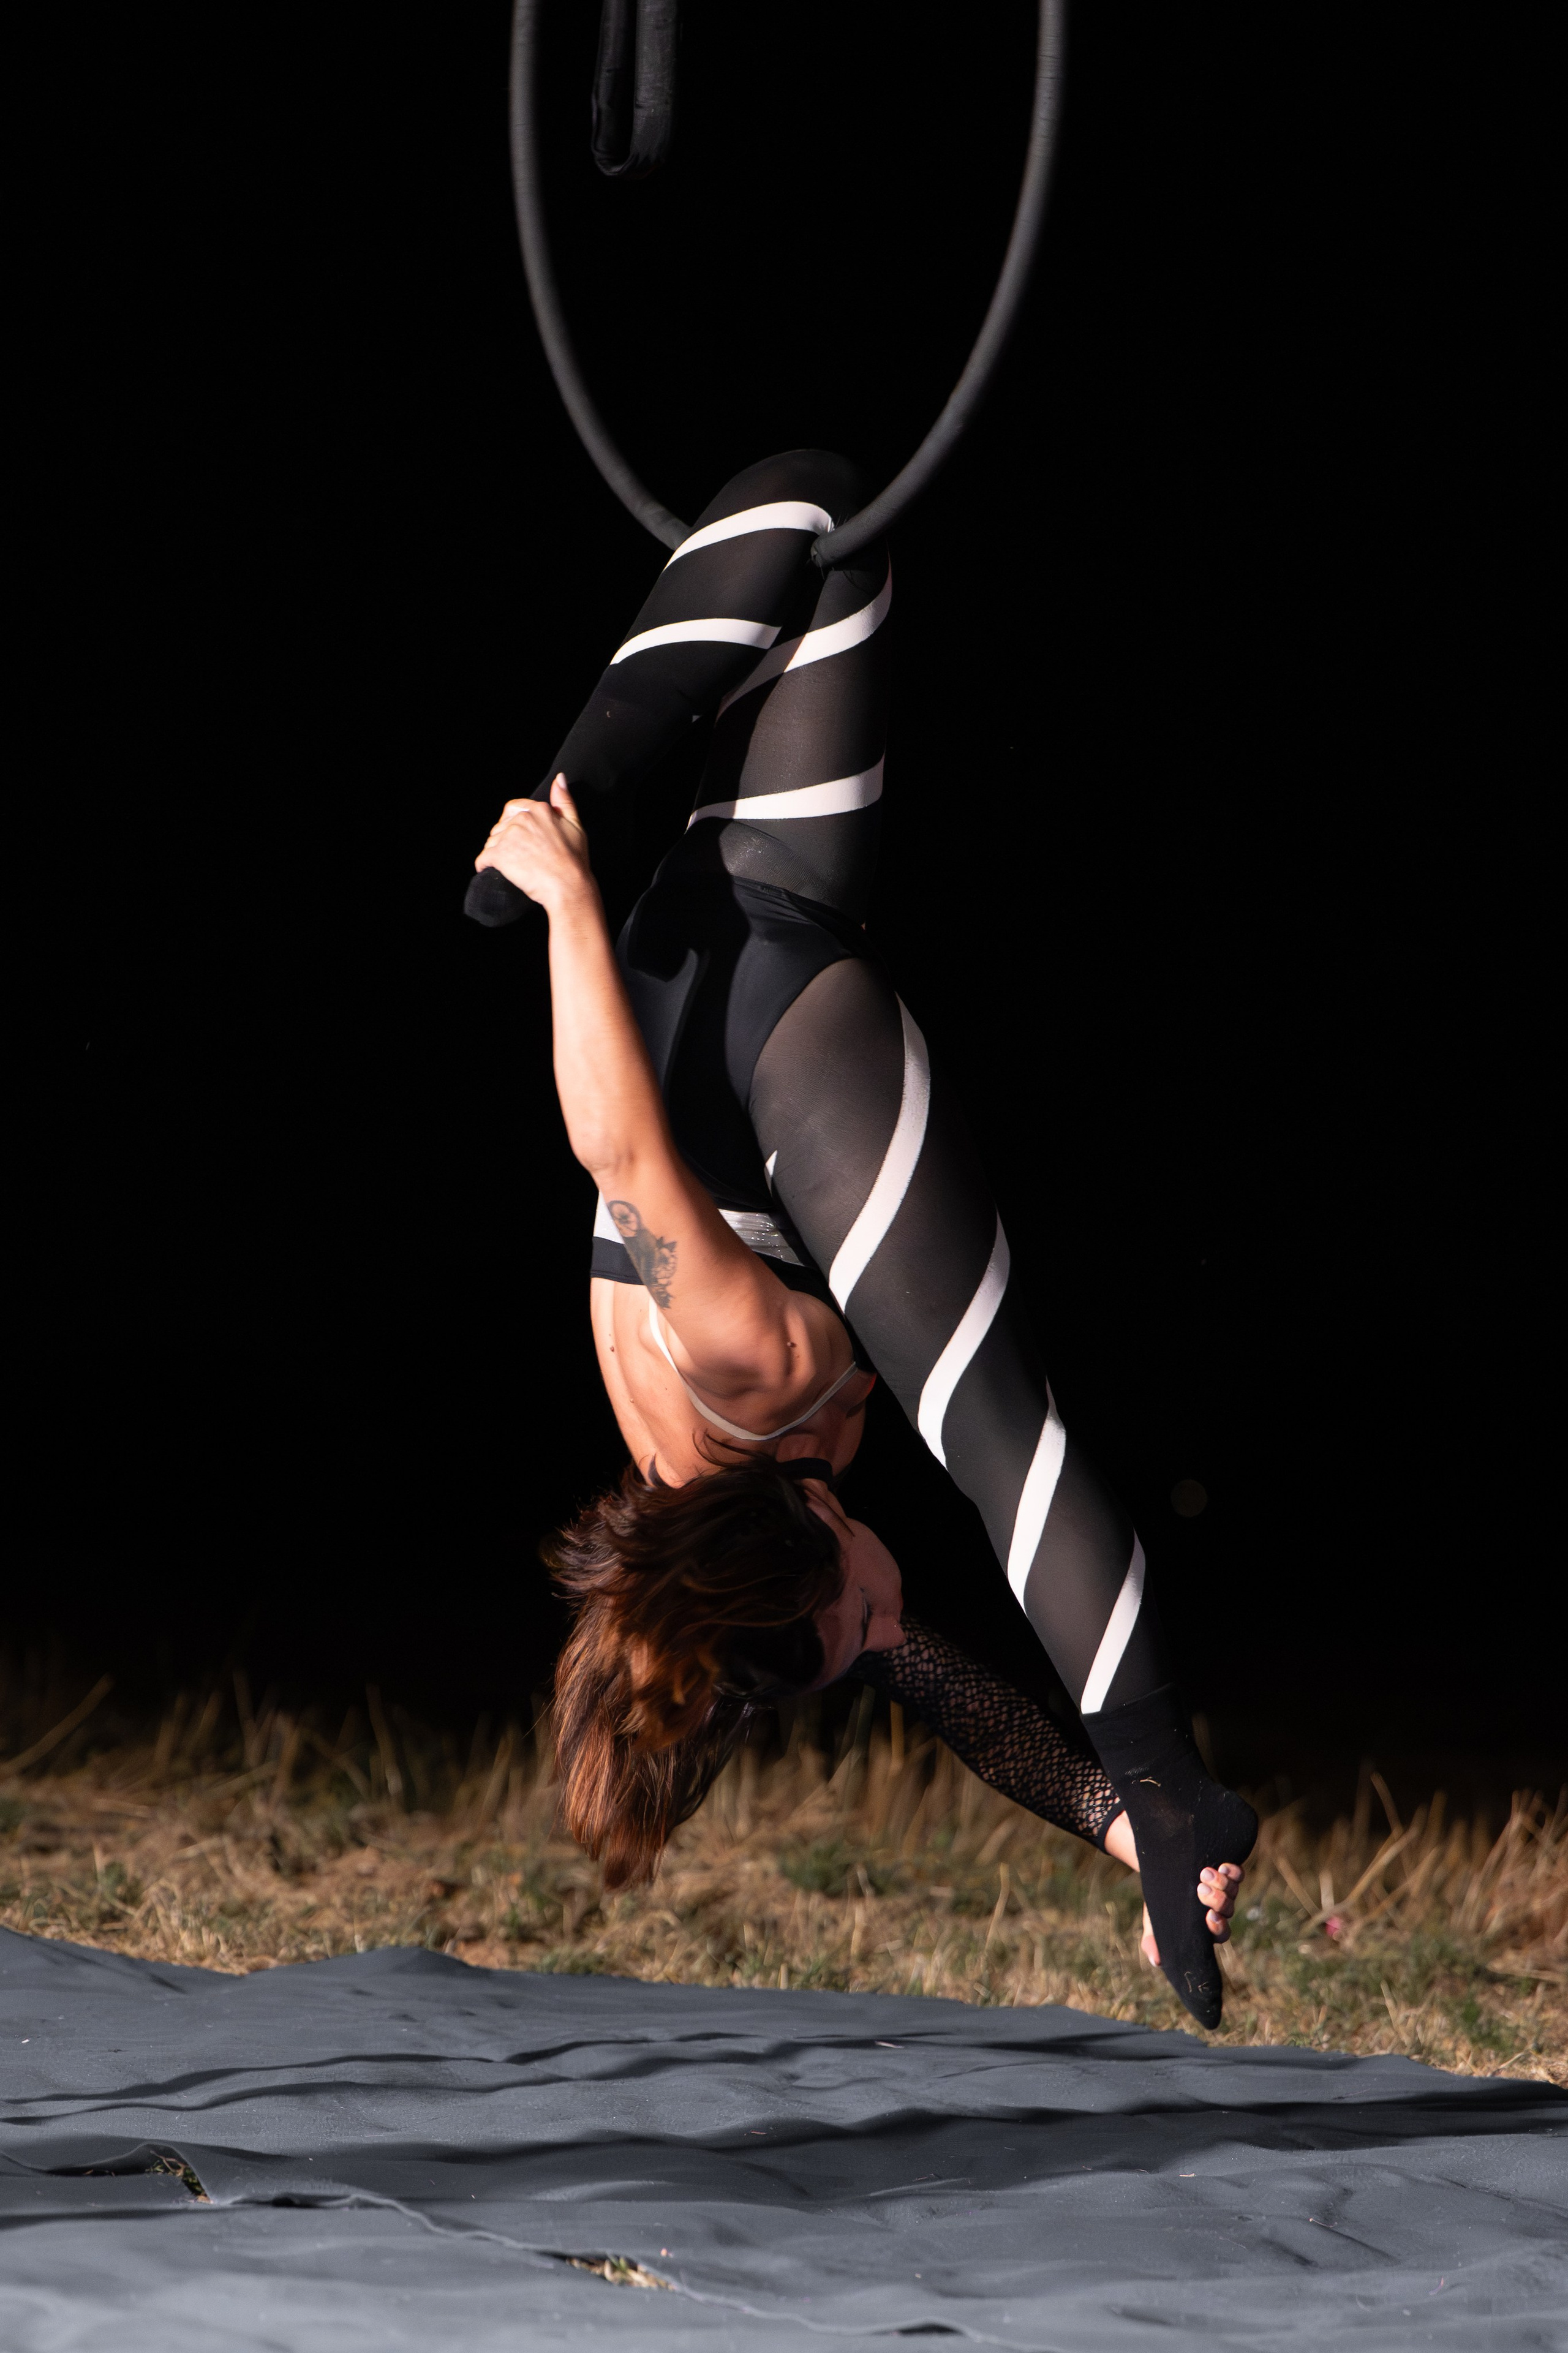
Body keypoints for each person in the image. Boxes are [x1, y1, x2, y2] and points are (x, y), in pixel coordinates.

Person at [471, 451, 1256, 2026]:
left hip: (761, 1011)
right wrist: (1108, 1823)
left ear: (816, 1545)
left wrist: (562, 897)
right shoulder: (756, 1589)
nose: (899, 1633)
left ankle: (581, 794)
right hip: (711, 926)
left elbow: (615, 1149)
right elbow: (949, 1692)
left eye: (870, 1616)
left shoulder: (740, 1379)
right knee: (823, 537)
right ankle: (608, 777)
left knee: (995, 1430)